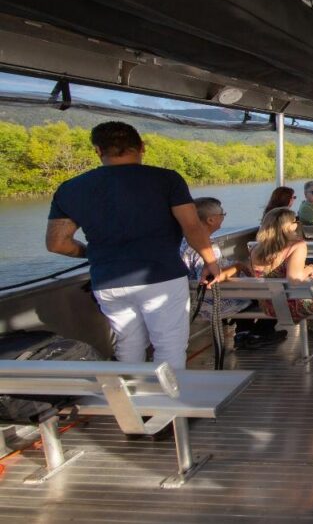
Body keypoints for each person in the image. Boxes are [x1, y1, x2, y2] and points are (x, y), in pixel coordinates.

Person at [45, 121, 221, 369]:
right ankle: (166, 406)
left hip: (107, 280)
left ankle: (132, 401)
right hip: (161, 276)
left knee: (128, 343)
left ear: (97, 150)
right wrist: (210, 262)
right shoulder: (166, 180)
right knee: (169, 344)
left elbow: (57, 243)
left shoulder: (71, 188)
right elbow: (192, 227)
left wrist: (93, 253)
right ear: (141, 147)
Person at [181, 197, 285, 347]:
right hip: (214, 303)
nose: (223, 217)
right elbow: (211, 279)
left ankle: (243, 332)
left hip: (191, 300)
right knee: (276, 296)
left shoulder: (182, 242)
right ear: (210, 220)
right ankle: (260, 332)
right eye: (222, 214)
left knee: (249, 291)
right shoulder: (206, 248)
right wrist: (239, 266)